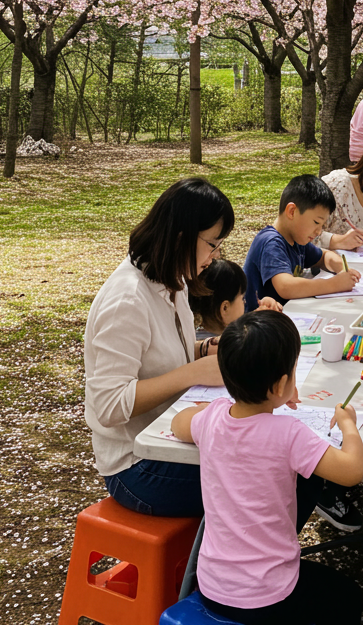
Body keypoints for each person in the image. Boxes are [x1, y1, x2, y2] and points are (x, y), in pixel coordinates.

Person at [170, 312, 363, 625]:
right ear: (281, 384)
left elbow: (179, 424)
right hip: (269, 596)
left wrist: (211, 411)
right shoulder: (289, 434)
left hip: (212, 586)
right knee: (348, 595)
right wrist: (348, 425)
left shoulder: (213, 418)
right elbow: (352, 470)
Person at [84, 177, 235, 516]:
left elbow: (162, 357)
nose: (215, 256)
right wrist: (191, 372)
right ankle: (218, 568)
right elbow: (107, 406)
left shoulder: (172, 278)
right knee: (266, 474)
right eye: (212, 244)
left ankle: (237, 563)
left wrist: (209, 348)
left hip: (169, 439)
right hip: (136, 465)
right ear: (182, 237)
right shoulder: (127, 300)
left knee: (274, 461)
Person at [243, 174, 361, 310]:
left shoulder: (297, 241)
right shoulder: (271, 243)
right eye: (316, 222)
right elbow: (286, 287)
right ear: (292, 212)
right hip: (257, 326)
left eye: (322, 225)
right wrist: (334, 284)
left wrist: (341, 268)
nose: (318, 231)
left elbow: (324, 256)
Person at [189, 258, 283, 346]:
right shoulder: (228, 346)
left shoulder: (196, 338)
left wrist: (257, 314)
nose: (244, 302)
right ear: (225, 308)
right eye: (242, 299)